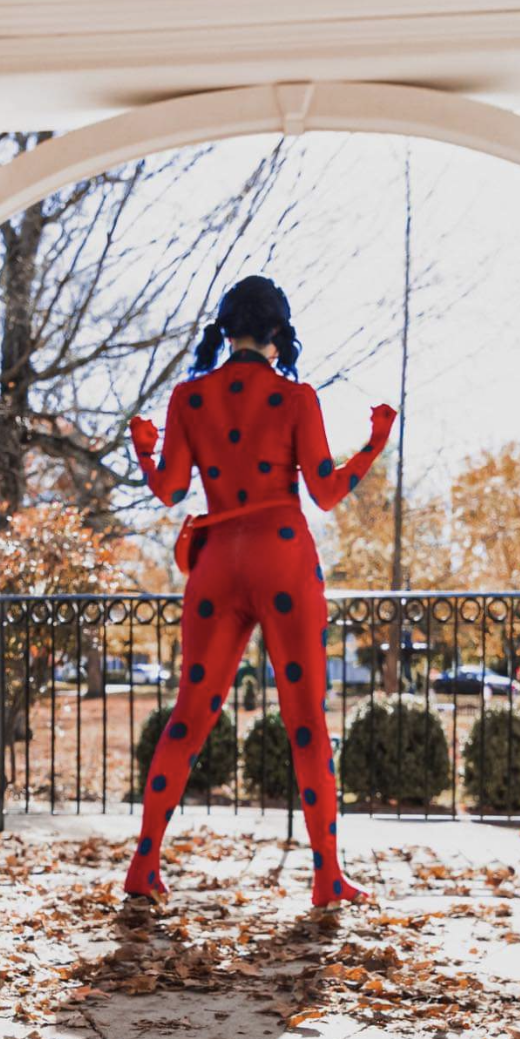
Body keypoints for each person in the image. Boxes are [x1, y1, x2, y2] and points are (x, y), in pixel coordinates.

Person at [125, 274, 396, 907]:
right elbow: (326, 492)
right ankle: (327, 875)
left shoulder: (189, 398)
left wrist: (144, 452)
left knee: (190, 715)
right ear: (278, 333)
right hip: (280, 555)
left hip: (217, 560)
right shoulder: (295, 398)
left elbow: (167, 491)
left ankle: (144, 864)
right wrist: (374, 445)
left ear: (227, 330)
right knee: (305, 721)